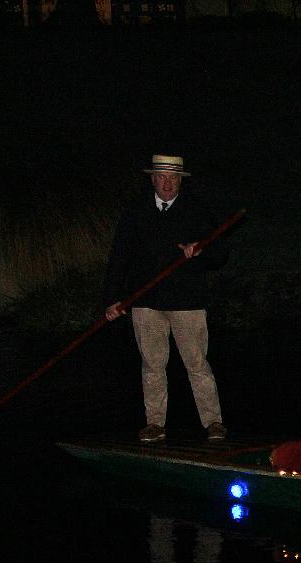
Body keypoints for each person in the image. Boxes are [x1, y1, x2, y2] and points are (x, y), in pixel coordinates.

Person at [102, 154, 230, 443]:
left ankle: (214, 422)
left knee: (197, 364)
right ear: (152, 179)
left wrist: (201, 250)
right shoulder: (136, 211)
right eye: (162, 176)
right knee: (152, 365)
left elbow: (221, 253)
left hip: (188, 302)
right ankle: (155, 424)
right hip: (146, 302)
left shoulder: (196, 210)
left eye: (174, 178)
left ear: (181, 181)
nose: (168, 182)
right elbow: (119, 257)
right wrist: (112, 298)